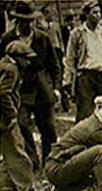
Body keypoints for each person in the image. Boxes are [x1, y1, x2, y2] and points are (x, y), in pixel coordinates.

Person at [0, 0, 62, 169]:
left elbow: (54, 65)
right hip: (20, 91)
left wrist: (56, 88)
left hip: (42, 90)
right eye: (24, 20)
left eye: (30, 20)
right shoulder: (7, 39)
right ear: (17, 20)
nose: (28, 23)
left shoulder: (42, 37)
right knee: (22, 125)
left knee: (48, 129)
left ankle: (50, 164)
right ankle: (32, 162)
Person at [63, 0, 102, 122]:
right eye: (94, 13)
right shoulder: (77, 33)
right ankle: (82, 139)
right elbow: (70, 58)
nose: (98, 15)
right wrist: (68, 79)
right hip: (86, 77)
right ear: (87, 14)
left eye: (99, 13)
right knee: (85, 111)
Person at [0, 40, 37, 191]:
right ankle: (27, 189)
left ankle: (7, 186)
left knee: (7, 152)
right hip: (5, 118)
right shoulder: (12, 69)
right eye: (26, 58)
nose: (28, 62)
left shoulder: (3, 64)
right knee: (17, 151)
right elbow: (4, 93)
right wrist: (13, 115)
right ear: (17, 57)